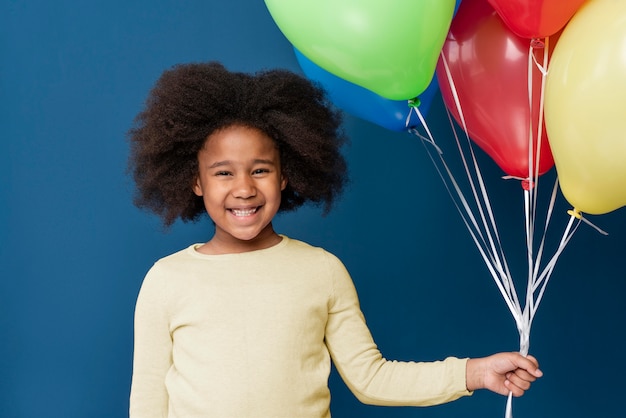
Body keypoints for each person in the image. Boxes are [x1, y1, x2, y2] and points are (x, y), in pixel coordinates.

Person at [127, 62, 542, 418]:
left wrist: (474, 373)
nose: (243, 189)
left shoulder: (321, 271)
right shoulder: (167, 280)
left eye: (260, 170)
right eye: (223, 173)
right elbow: (147, 404)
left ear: (286, 175)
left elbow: (371, 378)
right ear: (195, 181)